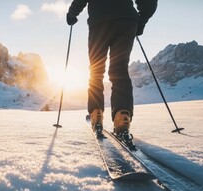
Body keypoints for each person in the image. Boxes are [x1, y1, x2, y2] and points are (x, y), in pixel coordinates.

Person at [66, 0, 157, 134]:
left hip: (99, 21)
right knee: (119, 70)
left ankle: (96, 112)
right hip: (126, 20)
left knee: (96, 70)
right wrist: (141, 20)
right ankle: (122, 115)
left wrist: (72, 13)